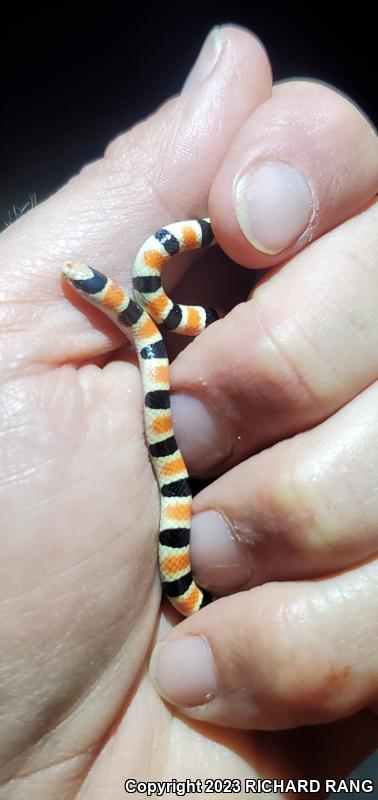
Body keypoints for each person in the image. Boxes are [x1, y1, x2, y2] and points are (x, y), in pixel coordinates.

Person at [0, 23, 377, 799]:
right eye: (86, 284)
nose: (78, 285)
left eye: (85, 286)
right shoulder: (137, 325)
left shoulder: (150, 312)